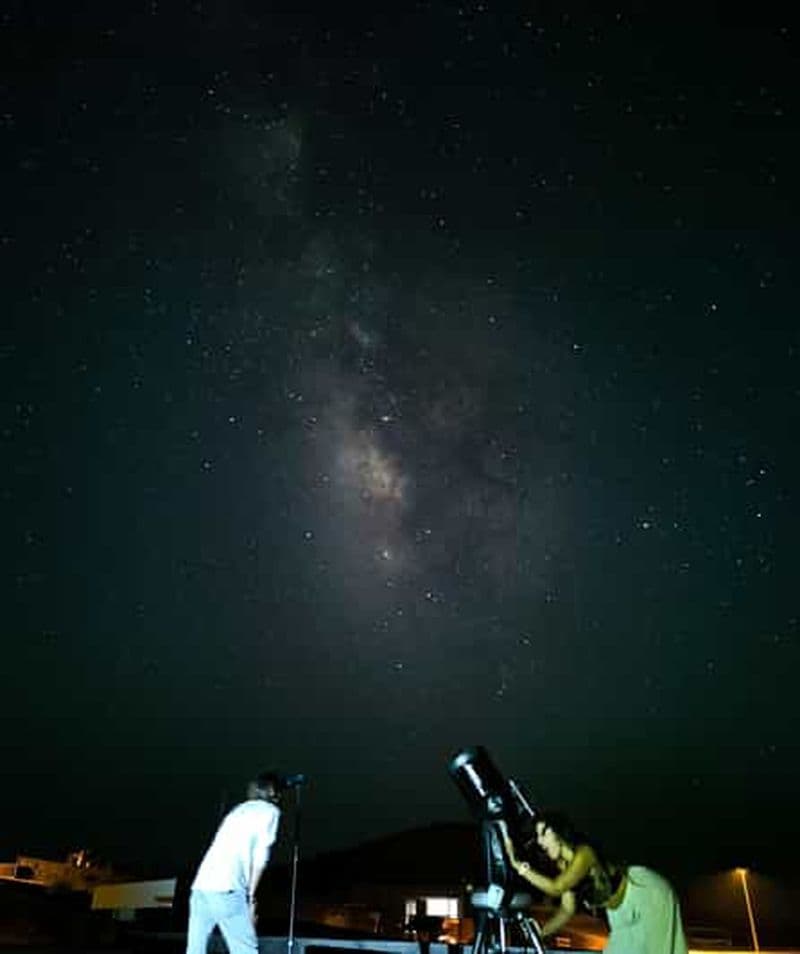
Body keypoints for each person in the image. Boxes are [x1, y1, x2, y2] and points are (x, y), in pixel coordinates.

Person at [500, 814, 688, 954]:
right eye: (537, 836)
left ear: (558, 832)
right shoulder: (564, 866)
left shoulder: (584, 853)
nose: (540, 842)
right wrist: (537, 935)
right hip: (620, 914)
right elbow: (566, 910)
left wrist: (518, 865)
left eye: (543, 834)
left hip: (644, 892)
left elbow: (557, 887)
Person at [186, 772, 283, 954]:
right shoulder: (270, 812)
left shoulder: (238, 810)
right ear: (271, 791)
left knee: (194, 950)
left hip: (200, 888)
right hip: (227, 888)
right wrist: (251, 897)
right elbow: (261, 857)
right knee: (245, 949)